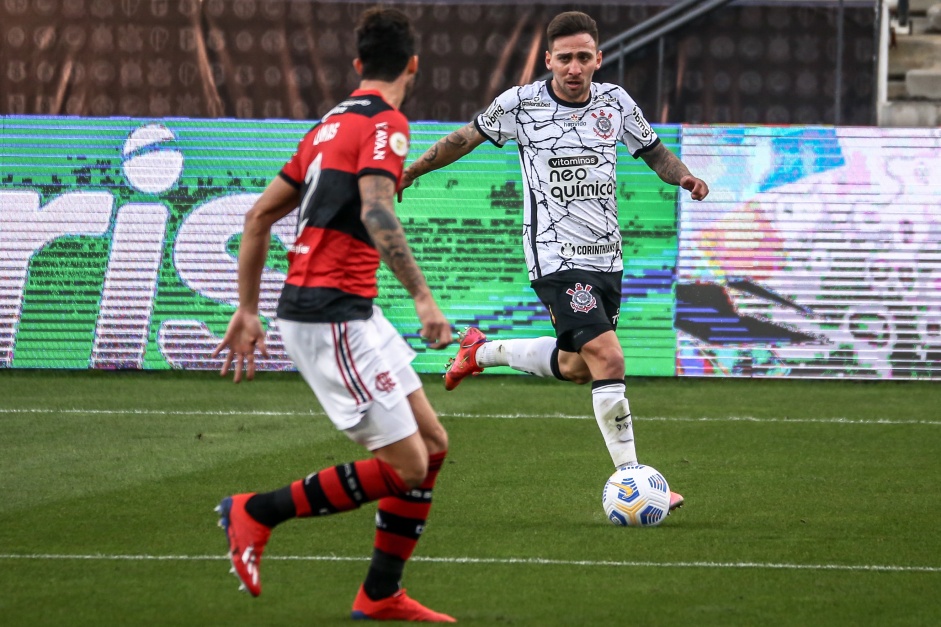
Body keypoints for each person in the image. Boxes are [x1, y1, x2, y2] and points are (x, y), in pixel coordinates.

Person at [399, 11, 709, 511]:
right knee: (609, 357)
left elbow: (653, 153)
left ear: (598, 60)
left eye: (583, 57)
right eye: (564, 58)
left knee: (577, 367)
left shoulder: (615, 103)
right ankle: (635, 481)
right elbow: (463, 139)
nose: (573, 66)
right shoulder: (519, 106)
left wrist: (685, 177)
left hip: (607, 257)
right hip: (555, 255)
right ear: (548, 60)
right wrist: (412, 171)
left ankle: (480, 352)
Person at [210, 7, 456, 623]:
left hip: (345, 308)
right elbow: (377, 210)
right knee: (409, 465)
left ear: (356, 66)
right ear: (414, 65)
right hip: (329, 313)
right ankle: (255, 511)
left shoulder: (328, 124)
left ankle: (380, 593)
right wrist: (424, 298)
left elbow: (258, 217)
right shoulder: (388, 123)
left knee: (432, 444)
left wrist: (247, 308)